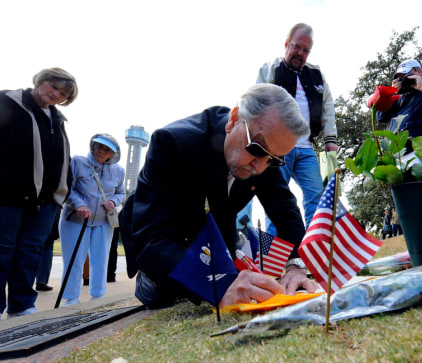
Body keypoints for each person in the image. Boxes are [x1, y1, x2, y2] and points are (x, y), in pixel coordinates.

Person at [120, 84, 317, 310]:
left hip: (218, 234)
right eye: (257, 149)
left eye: (275, 159)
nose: (260, 167)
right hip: (166, 236)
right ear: (233, 120)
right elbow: (152, 240)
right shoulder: (172, 143)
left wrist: (295, 265)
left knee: (234, 279)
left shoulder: (265, 154)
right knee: (164, 295)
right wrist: (220, 284)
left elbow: (286, 211)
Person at [0, 67, 77, 318]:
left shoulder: (57, 119)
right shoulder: (7, 102)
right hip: (8, 195)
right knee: (3, 249)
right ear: (41, 81)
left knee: (30, 252)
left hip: (45, 201)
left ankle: (21, 305)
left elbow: (62, 158)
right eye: (53, 87)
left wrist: (61, 193)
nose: (56, 94)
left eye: (63, 93)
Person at [257, 23, 338, 236]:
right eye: (296, 46)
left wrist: (331, 139)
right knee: (275, 199)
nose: (300, 53)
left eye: (305, 50)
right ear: (286, 44)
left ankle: (314, 251)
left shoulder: (316, 74)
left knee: (316, 197)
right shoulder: (270, 69)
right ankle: (276, 258)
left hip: (306, 148)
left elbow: (328, 107)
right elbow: (256, 103)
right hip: (276, 148)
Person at [59, 134, 125, 306]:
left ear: (113, 154)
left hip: (103, 222)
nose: (101, 151)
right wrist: (79, 204)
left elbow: (121, 192)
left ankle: (97, 298)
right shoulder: (78, 162)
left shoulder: (119, 171)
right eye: (99, 147)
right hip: (76, 220)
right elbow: (67, 187)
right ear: (92, 146)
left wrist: (113, 202)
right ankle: (71, 299)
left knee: (101, 261)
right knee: (74, 260)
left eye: (106, 149)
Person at [35, 206, 62, 292]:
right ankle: (42, 281)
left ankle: (26, 282)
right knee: (48, 246)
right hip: (52, 207)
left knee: (31, 246)